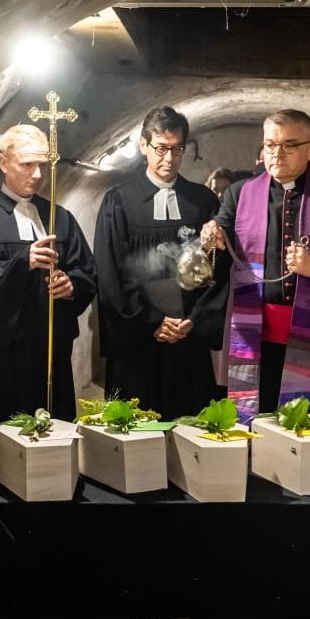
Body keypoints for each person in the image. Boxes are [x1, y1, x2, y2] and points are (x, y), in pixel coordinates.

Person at [203, 109, 310, 425]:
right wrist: (212, 244)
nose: (277, 154)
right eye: (270, 145)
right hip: (257, 334)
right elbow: (221, 262)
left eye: (289, 145)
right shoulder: (239, 193)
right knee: (255, 423)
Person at [0, 124, 96, 422]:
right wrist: (19, 262)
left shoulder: (60, 218)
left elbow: (86, 271)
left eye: (42, 165)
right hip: (1, 356)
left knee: (55, 427)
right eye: (27, 164)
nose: (37, 175)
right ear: (3, 163)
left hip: (50, 350)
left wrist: (71, 285)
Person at [95, 106, 225, 420]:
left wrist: (195, 319)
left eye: (177, 149)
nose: (169, 158)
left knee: (190, 431)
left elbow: (218, 270)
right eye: (161, 148)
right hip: (137, 341)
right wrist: (151, 321)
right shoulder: (119, 202)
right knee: (134, 439)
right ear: (143, 145)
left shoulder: (203, 201)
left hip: (188, 338)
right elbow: (110, 274)